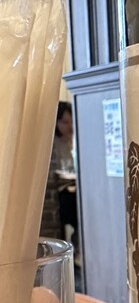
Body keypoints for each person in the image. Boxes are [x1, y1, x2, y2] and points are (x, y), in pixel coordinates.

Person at [54, 102, 78, 247]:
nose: (70, 126)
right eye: (65, 122)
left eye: (72, 121)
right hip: (62, 193)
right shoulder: (53, 145)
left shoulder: (75, 141)